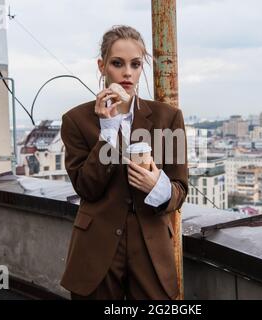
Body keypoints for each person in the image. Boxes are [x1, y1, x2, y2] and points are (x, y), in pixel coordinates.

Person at [60, 25, 188, 300]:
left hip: (152, 251)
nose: (127, 73)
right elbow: (86, 188)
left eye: (135, 64)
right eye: (118, 63)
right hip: (96, 250)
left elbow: (180, 190)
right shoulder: (76, 120)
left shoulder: (168, 118)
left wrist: (159, 186)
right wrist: (108, 129)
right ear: (102, 66)